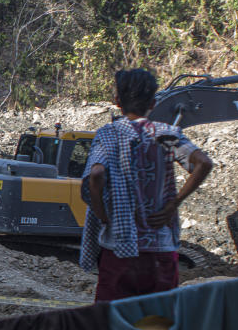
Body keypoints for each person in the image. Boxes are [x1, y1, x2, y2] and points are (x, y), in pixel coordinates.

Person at [80, 68, 214, 302]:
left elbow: (97, 174)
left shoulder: (108, 134)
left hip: (119, 250)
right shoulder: (166, 134)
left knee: (111, 325)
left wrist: (103, 216)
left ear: (117, 101)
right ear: (153, 102)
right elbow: (203, 163)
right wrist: (174, 204)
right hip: (160, 251)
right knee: (158, 327)